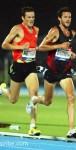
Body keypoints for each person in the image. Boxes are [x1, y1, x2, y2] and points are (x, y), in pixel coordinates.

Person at [26, 6, 76, 138]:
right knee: (48, 101)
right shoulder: (55, 31)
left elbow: (66, 48)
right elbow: (41, 47)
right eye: (65, 17)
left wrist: (70, 53)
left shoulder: (72, 33)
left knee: (71, 97)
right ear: (59, 18)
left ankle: (71, 129)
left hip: (65, 71)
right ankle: (34, 100)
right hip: (52, 71)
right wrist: (60, 45)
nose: (68, 19)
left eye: (69, 17)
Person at [0, 6, 41, 136]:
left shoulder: (36, 30)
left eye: (33, 17)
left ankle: (33, 127)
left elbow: (32, 46)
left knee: (33, 95)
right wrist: (20, 46)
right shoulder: (17, 29)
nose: (31, 19)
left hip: (30, 67)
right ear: (23, 18)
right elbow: (4, 45)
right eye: (28, 17)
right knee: (13, 99)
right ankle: (2, 90)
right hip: (18, 67)